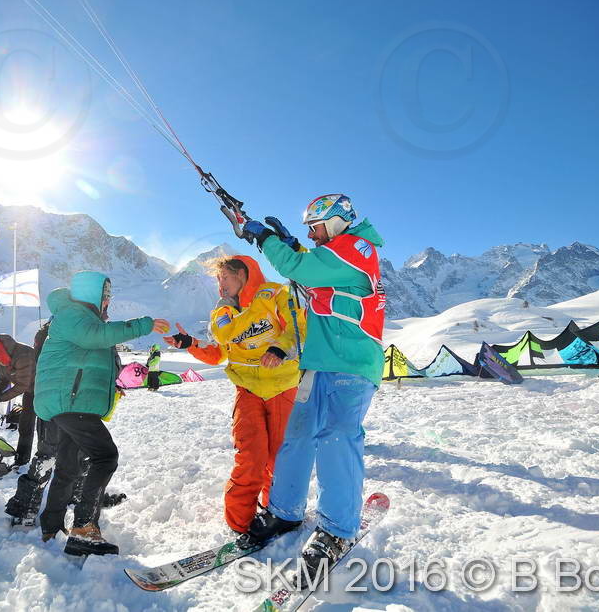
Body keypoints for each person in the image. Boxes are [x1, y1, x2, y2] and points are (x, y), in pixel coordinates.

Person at [238, 194, 385, 581]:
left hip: (351, 363)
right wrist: (291, 245)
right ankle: (284, 511)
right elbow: (310, 271)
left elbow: (299, 268)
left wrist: (268, 241)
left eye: (315, 227)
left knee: (337, 437)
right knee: (299, 436)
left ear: (337, 221)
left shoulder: (357, 247)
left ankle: (337, 530)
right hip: (319, 363)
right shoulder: (336, 253)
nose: (310, 234)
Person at [164, 255, 303, 534]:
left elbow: (298, 326)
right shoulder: (224, 314)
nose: (221, 285)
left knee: (280, 458)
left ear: (242, 275)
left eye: (225, 278)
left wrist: (280, 348)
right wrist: (191, 343)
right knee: (250, 457)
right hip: (247, 390)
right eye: (218, 280)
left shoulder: (275, 294)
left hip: (282, 387)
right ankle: (240, 523)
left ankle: (279, 513)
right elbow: (219, 353)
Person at [33, 271, 169, 555]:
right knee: (105, 456)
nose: (108, 300)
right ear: (91, 294)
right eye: (105, 295)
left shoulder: (79, 317)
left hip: (70, 401)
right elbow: (96, 337)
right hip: (71, 401)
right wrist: (143, 325)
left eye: (109, 295)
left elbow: (89, 357)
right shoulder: (74, 315)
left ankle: (51, 527)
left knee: (68, 466)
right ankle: (84, 528)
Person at [4, 320, 126, 529]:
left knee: (79, 456)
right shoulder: (61, 327)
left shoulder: (92, 326)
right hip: (58, 403)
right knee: (48, 456)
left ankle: (77, 497)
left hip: (80, 404)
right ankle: (25, 509)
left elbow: (105, 364)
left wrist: (110, 384)